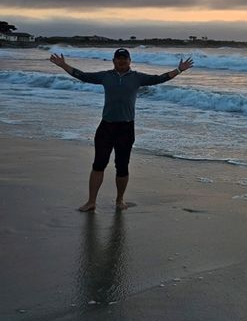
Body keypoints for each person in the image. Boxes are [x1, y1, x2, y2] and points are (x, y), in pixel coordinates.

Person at [50, 48, 193, 211]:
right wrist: (63, 65)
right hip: (106, 126)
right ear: (114, 61)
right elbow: (82, 75)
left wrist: (179, 70)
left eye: (124, 59)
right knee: (98, 164)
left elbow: (159, 79)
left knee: (122, 166)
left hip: (126, 127)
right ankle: (91, 202)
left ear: (130, 61)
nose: (121, 61)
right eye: (118, 58)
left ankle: (119, 201)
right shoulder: (105, 76)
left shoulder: (137, 78)